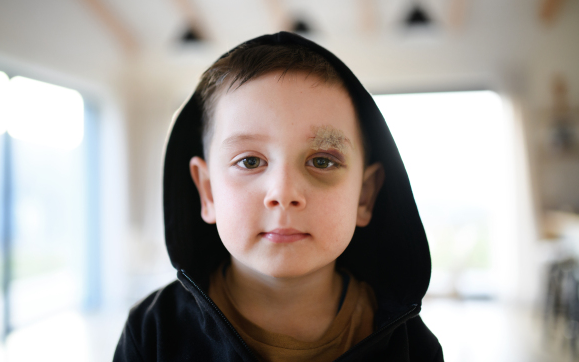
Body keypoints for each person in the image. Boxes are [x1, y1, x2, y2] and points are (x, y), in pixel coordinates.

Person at [113, 32, 443, 361]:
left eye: (322, 161)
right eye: (250, 161)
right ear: (208, 191)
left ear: (364, 197)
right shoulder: (152, 333)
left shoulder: (412, 347)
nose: (283, 193)